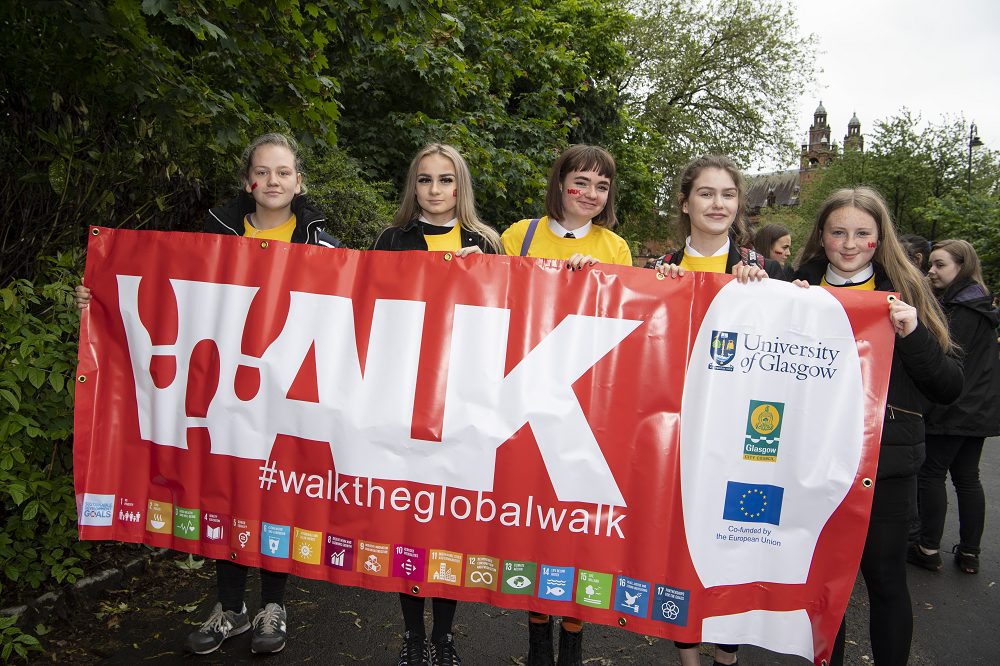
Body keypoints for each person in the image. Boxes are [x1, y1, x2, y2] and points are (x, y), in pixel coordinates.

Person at [76, 132, 344, 655]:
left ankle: (273, 607)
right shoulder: (214, 233)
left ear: (299, 181)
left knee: (275, 497)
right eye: (263, 172)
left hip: (287, 395)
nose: (272, 181)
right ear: (249, 180)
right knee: (227, 491)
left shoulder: (322, 245)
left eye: (283, 172)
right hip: (225, 388)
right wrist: (100, 291)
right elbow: (159, 287)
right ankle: (232, 609)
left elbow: (360, 300)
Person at [791, 187, 963, 666]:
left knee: (886, 581)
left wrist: (913, 335)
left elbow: (950, 385)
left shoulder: (907, 293)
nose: (849, 243)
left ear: (878, 238)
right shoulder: (791, 287)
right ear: (821, 236)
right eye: (838, 232)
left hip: (884, 465)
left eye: (862, 233)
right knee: (824, 587)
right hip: (810, 462)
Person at [650, 154, 783, 666]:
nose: (717, 203)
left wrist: (780, 293)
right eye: (706, 193)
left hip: (740, 441)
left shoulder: (763, 273)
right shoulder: (659, 272)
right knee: (680, 548)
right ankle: (687, 658)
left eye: (728, 194)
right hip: (678, 439)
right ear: (685, 203)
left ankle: (726, 656)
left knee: (730, 546)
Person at [371, 143, 502, 666]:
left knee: (447, 525)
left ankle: (444, 636)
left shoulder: (486, 243)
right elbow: (368, 312)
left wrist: (479, 275)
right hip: (403, 401)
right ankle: (410, 635)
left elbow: (508, 318)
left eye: (445, 180)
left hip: (463, 404)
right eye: (424, 180)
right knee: (408, 525)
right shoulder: (390, 239)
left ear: (460, 185)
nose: (435, 190)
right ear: (413, 186)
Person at [501, 144, 631, 666]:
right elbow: (495, 298)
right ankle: (536, 636)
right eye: (581, 182)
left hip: (590, 402)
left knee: (581, 523)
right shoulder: (519, 234)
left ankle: (574, 637)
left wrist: (594, 280)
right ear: (559, 183)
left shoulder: (615, 245)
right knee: (535, 520)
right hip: (528, 395)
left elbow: (629, 318)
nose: (591, 195)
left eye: (602, 187)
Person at [908, 239, 999, 574]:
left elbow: (947, 362)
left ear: (962, 266)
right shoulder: (980, 305)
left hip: (956, 409)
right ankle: (970, 553)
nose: (931, 271)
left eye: (940, 264)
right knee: (966, 477)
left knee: (931, 474)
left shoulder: (960, 310)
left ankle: (928, 547)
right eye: (931, 264)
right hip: (980, 409)